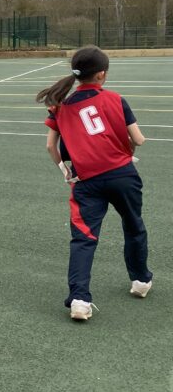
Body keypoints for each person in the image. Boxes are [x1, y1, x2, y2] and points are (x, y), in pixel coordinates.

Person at [36, 45, 151, 321]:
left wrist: (65, 170)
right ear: (102, 74)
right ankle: (140, 281)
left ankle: (79, 299)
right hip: (123, 176)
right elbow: (138, 139)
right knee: (134, 226)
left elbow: (51, 147)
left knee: (83, 240)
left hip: (86, 181)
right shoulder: (116, 99)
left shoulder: (60, 107)